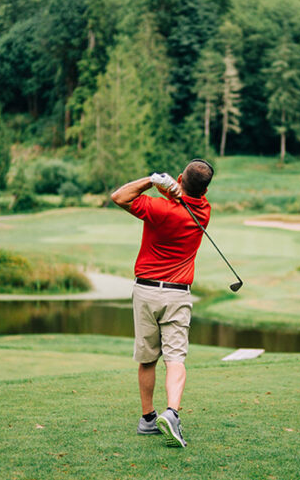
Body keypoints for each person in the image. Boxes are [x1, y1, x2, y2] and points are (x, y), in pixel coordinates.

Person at [110, 159, 215, 448]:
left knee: (147, 359)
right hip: (177, 294)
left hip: (144, 291)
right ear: (205, 189)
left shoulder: (158, 209)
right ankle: (172, 412)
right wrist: (175, 189)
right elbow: (185, 198)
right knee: (175, 359)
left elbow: (118, 197)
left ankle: (147, 419)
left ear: (180, 178)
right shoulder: (203, 212)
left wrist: (152, 180)